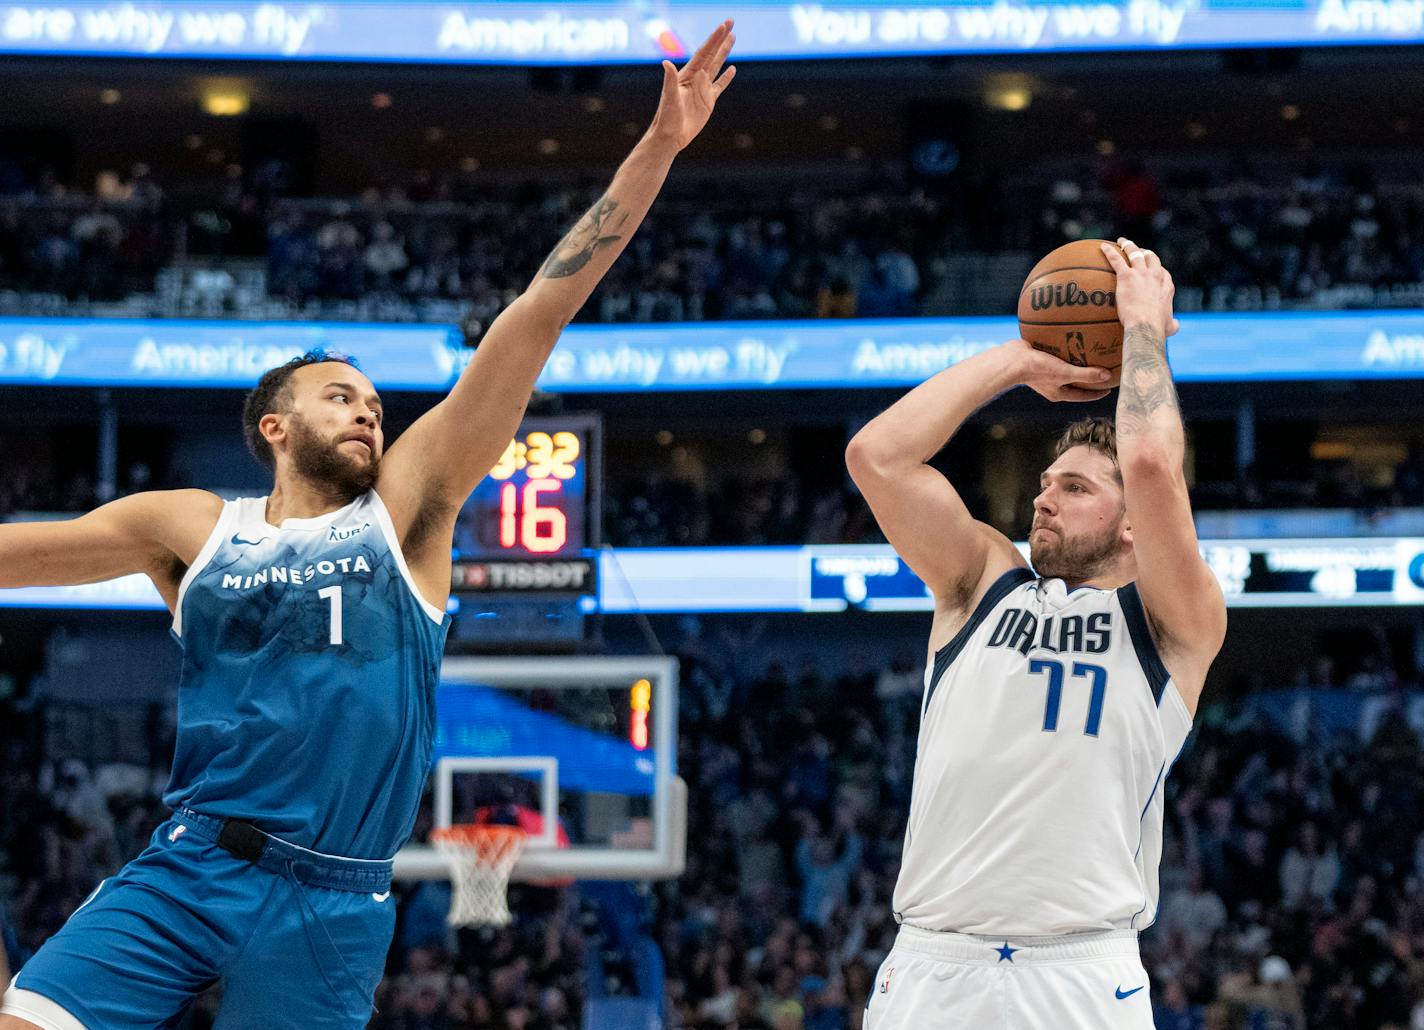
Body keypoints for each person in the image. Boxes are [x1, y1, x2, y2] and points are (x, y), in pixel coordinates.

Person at [0, 23, 737, 1030]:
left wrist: (655, 148)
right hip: (195, 857)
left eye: (375, 405)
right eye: (340, 396)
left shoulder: (405, 509)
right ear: (274, 425)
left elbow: (534, 317)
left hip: (334, 895)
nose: (367, 411)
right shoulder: (191, 523)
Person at [846, 238, 1226, 1028]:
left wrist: (1143, 331)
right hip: (931, 964)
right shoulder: (979, 578)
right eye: (1046, 484)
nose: (1043, 501)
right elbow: (877, 457)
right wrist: (1017, 362)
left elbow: (1152, 463)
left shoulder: (1173, 623)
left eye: (1077, 487)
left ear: (1129, 530)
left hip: (1078, 973)